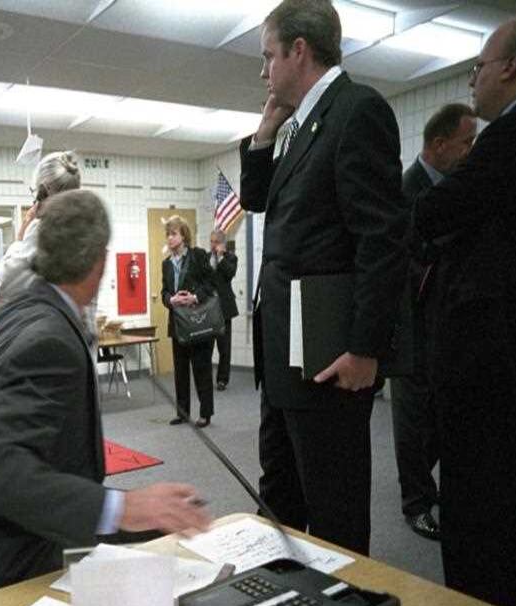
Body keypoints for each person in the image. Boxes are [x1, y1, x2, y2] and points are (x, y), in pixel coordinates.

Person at [0, 190, 211, 599]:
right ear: (101, 261)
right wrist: (126, 509)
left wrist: (128, 513)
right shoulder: (51, 342)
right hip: (9, 566)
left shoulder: (11, 312)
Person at [238, 0, 407, 555]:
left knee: (334, 517)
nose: (263, 71)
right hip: (284, 356)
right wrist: (264, 133)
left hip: (329, 359)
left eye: (268, 57)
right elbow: (257, 200)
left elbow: (382, 238)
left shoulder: (356, 111)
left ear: (299, 50)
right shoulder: (299, 123)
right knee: (280, 501)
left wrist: (366, 348)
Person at [412, 9, 516, 606]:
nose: (473, 80)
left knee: (477, 516)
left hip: (493, 365)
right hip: (513, 358)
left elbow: (441, 213)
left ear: (512, 67)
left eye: (480, 67)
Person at [393, 103, 477, 541]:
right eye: (467, 142)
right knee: (413, 420)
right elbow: (399, 260)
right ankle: (416, 503)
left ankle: (424, 486)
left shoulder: (452, 188)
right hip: (412, 325)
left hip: (446, 324)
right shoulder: (408, 191)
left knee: (438, 416)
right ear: (439, 144)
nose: (471, 151)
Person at [0, 150, 81, 299]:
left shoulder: (41, 232)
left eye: (34, 192)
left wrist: (21, 236)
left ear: (42, 192)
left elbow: (1, 285)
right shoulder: (86, 231)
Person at [162, 216, 216, 427]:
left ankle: (206, 413)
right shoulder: (166, 264)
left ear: (183, 235)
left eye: (173, 234)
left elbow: (210, 284)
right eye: (167, 234)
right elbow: (164, 291)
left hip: (198, 320)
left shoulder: (198, 256)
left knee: (201, 368)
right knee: (180, 370)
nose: (169, 238)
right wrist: (171, 299)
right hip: (177, 323)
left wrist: (194, 297)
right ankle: (182, 413)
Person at [208, 229, 239, 391]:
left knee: (224, 347)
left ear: (222, 244)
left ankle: (222, 379)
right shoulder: (206, 258)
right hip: (208, 308)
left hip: (224, 308)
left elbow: (229, 274)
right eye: (211, 241)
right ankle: (205, 377)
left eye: (215, 242)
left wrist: (220, 257)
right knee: (207, 345)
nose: (212, 245)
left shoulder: (230, 258)